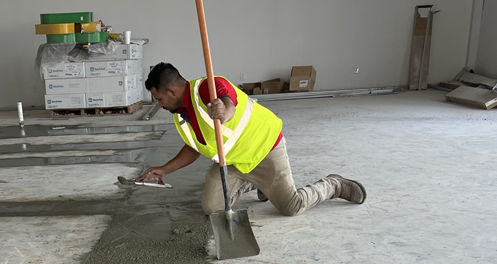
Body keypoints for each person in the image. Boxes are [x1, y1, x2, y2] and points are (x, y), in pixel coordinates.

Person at [139, 62, 366, 216]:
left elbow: (228, 101)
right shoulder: (180, 114)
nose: (158, 104)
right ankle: (258, 183)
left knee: (291, 207)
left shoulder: (207, 88)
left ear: (171, 91)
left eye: (158, 98)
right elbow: (195, 146)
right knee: (212, 208)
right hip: (235, 162)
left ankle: (334, 185)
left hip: (264, 149)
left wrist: (224, 112)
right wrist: (164, 169)